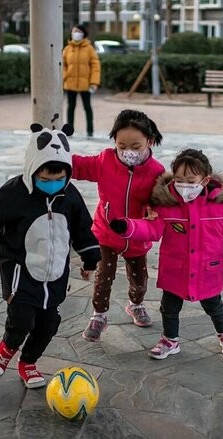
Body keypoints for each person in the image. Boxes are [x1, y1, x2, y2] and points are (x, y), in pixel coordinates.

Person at [0, 122, 101, 388]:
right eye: (44, 180)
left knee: (49, 325)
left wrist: (90, 259)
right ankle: (8, 347)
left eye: (58, 179)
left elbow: (83, 229)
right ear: (31, 170)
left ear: (67, 174)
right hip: (20, 275)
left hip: (56, 276)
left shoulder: (70, 196)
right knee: (22, 319)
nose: (52, 185)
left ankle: (28, 362)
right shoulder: (14, 194)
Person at [109, 149, 223, 359]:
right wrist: (127, 227)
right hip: (176, 270)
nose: (184, 185)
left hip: (207, 270)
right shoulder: (167, 205)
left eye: (190, 180)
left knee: (214, 306)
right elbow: (151, 229)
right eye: (178, 179)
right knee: (169, 308)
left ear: (205, 180)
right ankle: (170, 339)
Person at [71, 109, 165, 342]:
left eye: (135, 146)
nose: (127, 152)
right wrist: (52, 155)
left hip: (137, 235)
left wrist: (156, 209)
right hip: (106, 232)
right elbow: (78, 166)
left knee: (139, 281)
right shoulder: (105, 161)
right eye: (121, 145)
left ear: (149, 141)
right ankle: (99, 315)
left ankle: (136, 304)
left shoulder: (157, 172)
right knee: (103, 277)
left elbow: (162, 200)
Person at [63, 24, 101, 138]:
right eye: (74, 31)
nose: (76, 33)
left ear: (83, 34)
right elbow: (62, 65)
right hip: (70, 83)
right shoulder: (67, 49)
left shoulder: (89, 49)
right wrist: (65, 76)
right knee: (70, 107)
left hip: (86, 84)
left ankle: (90, 131)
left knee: (87, 107)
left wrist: (94, 83)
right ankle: (69, 131)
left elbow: (95, 66)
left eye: (79, 31)